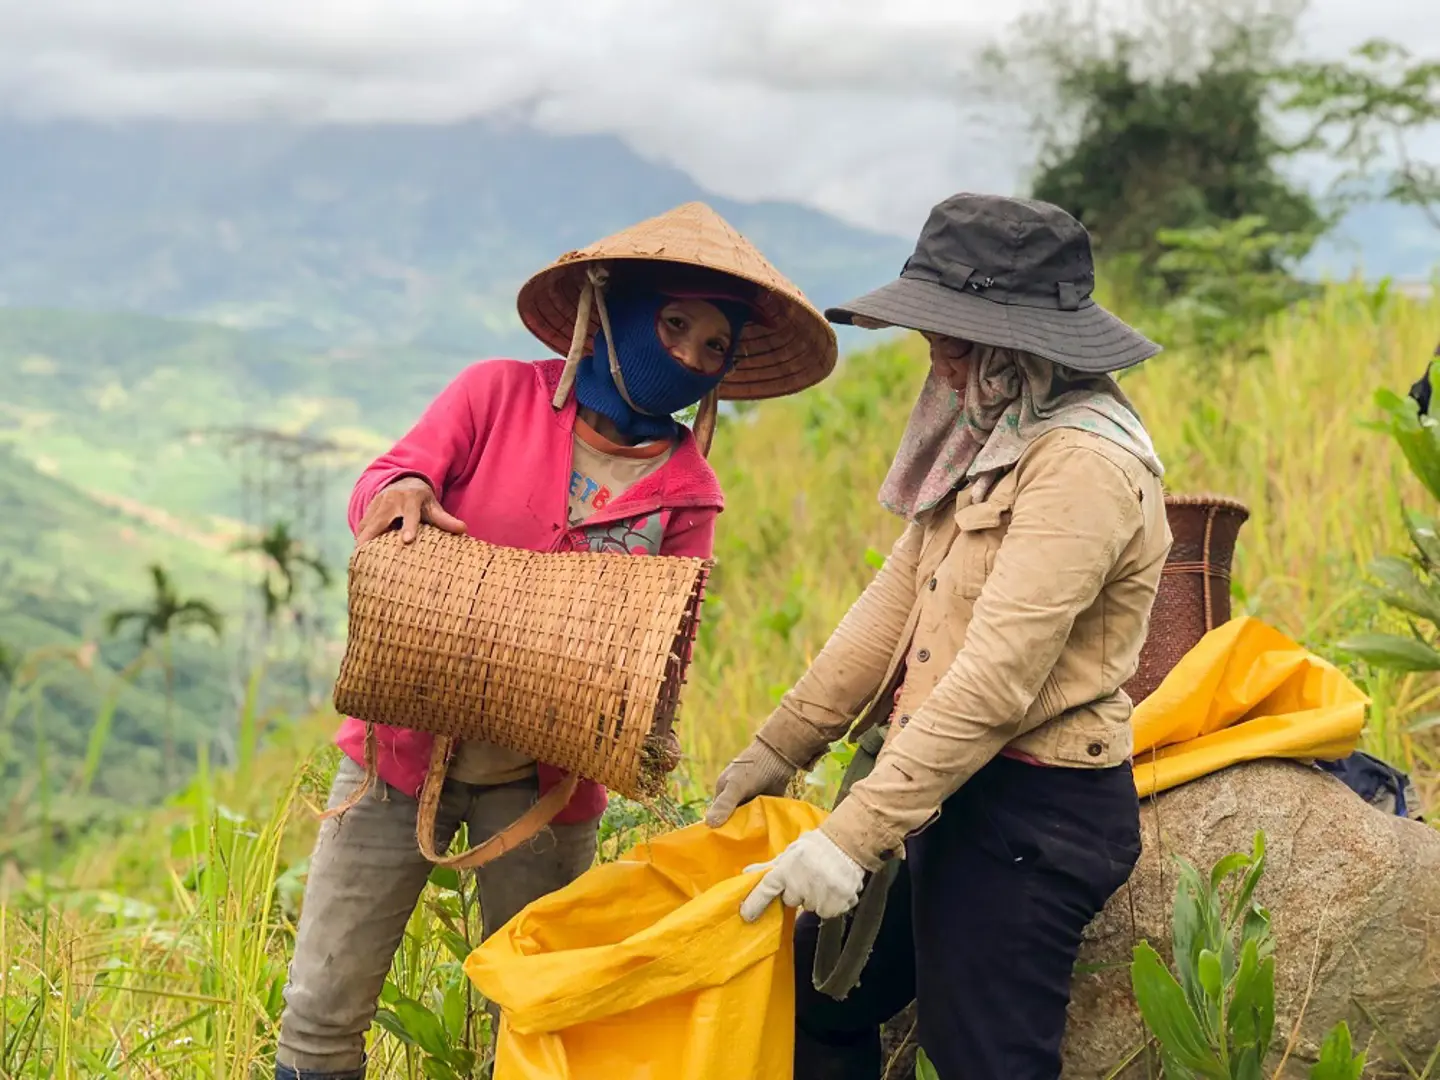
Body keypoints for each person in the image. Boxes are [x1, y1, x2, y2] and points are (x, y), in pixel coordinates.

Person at [275, 202, 836, 1080]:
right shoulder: (495, 394)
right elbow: (391, 478)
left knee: (542, 1017)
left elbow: (666, 649)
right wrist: (405, 491)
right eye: (674, 325)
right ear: (610, 311)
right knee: (320, 1013)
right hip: (399, 760)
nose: (688, 356)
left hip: (546, 788)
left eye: (712, 347)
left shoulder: (690, 494)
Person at [705, 193, 1174, 1080]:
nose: (937, 365)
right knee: (817, 1001)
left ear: (1015, 349)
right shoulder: (991, 436)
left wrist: (852, 836)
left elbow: (996, 681)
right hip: (946, 786)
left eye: (951, 346)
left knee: (985, 1060)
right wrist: (777, 746)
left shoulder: (1082, 466)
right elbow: (894, 602)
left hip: (1030, 817)